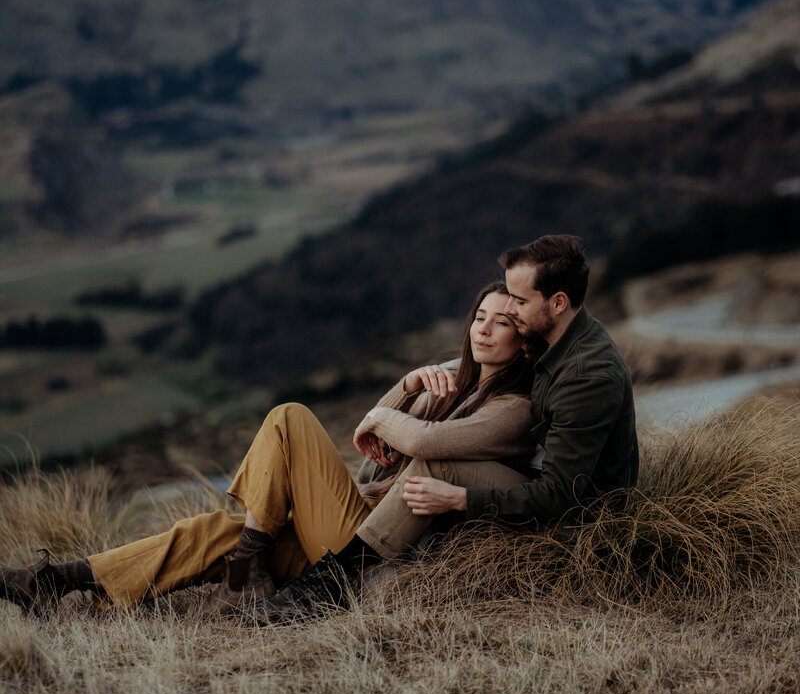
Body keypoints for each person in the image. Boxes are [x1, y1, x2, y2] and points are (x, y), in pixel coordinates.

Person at [0, 281, 538, 620]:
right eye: (479, 316)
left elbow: (414, 441)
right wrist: (407, 386)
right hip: (349, 520)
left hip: (378, 546)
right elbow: (376, 450)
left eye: (503, 323)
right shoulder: (447, 379)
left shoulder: (512, 408)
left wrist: (385, 411)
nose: (484, 330)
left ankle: (250, 562)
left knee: (290, 417)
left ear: (525, 341)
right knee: (212, 532)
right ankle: (53, 582)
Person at [401, 234, 638, 526]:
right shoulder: (555, 336)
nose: (510, 310)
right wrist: (416, 379)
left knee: (436, 466)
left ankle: (353, 563)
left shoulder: (586, 377)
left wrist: (459, 499)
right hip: (533, 485)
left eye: (520, 300)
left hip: (578, 523)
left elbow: (558, 496)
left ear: (558, 303)